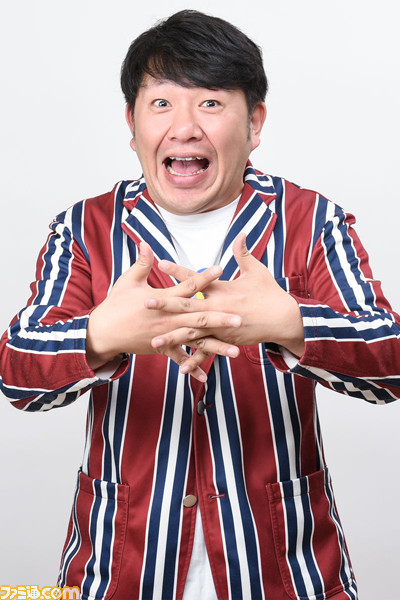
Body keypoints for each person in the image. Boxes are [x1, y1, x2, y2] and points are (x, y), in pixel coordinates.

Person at [0, 9, 399, 600]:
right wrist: (100, 336)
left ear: (255, 122)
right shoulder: (84, 227)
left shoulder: (313, 220)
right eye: (161, 103)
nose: (184, 127)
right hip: (114, 571)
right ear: (132, 123)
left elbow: (391, 362)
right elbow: (16, 376)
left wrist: (289, 323)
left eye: (210, 102)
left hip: (287, 572)